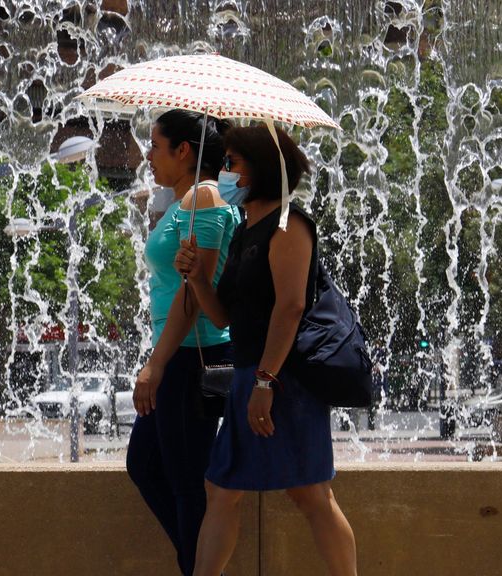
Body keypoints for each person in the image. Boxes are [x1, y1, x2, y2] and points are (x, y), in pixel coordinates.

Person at [175, 125, 358, 576]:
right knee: (222, 489)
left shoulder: (288, 226)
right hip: (250, 375)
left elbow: (291, 307)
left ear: (260, 169)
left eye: (232, 164)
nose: (223, 173)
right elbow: (223, 318)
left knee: (311, 494)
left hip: (282, 381)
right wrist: (197, 276)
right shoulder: (245, 231)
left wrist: (266, 380)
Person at [126, 109, 242, 576]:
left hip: (193, 355)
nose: (148, 156)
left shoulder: (204, 198)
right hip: (178, 353)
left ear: (184, 151)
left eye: (155, 145)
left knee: (185, 482)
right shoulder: (183, 202)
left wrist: (155, 365)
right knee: (148, 464)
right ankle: (197, 567)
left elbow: (195, 298)